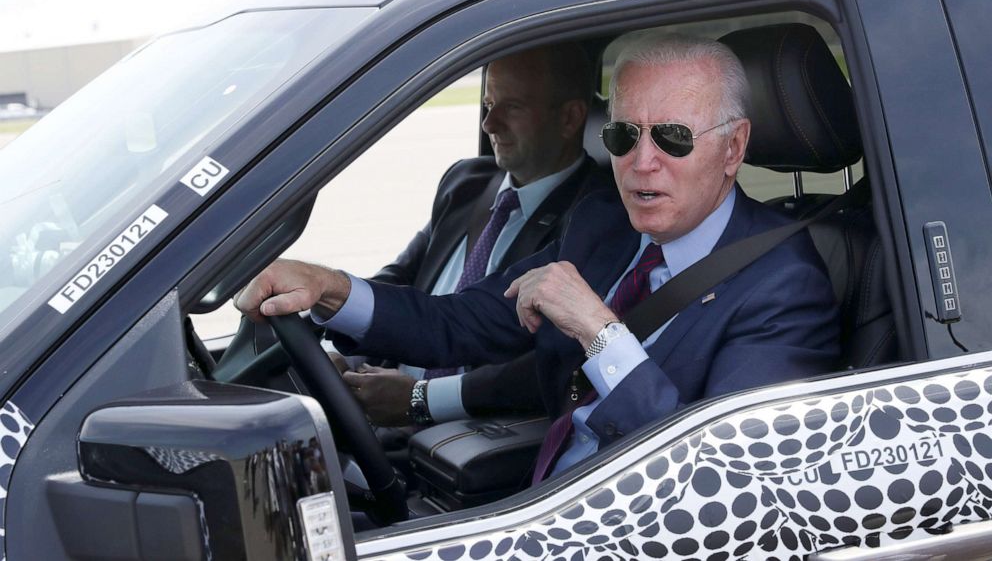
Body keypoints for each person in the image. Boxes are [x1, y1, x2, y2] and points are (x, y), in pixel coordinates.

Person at [236, 33, 839, 482]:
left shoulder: (785, 285)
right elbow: (458, 322)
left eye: (673, 138)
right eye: (624, 136)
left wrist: (598, 332)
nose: (641, 162)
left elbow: (728, 479)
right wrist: (328, 287)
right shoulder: (602, 226)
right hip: (545, 500)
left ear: (733, 148)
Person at [329, 42, 611, 429]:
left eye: (511, 107)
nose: (489, 124)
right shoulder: (465, 182)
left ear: (569, 118)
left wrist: (418, 398)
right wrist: (337, 337)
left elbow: (540, 362)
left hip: (468, 430)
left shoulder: (594, 217)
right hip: (381, 397)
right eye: (488, 104)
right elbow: (400, 277)